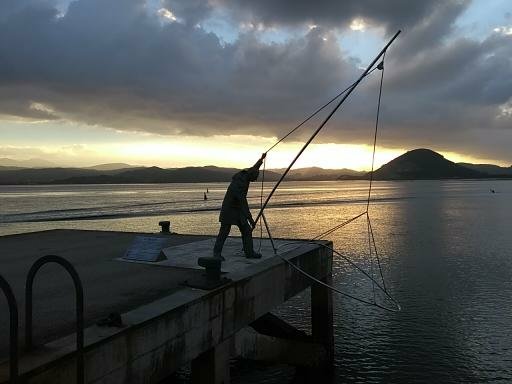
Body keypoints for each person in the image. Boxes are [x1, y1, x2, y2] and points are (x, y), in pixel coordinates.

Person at [213, 153, 266, 260]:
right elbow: (242, 201)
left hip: (238, 209)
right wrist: (250, 218)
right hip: (229, 209)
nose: (255, 180)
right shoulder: (240, 182)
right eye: (255, 178)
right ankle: (216, 253)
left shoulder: (247, 174)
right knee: (224, 231)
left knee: (246, 230)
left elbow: (254, 168)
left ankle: (249, 253)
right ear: (251, 176)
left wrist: (261, 159)